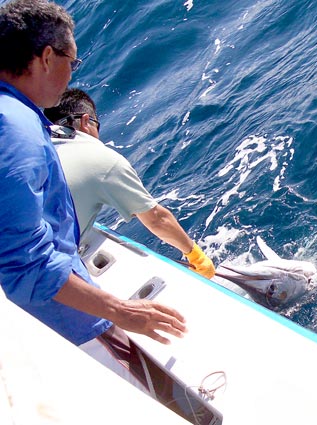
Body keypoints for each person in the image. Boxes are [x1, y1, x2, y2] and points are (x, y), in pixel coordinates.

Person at [0, 0, 187, 395]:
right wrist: (121, 312)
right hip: (62, 312)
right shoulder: (16, 132)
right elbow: (27, 269)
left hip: (44, 302)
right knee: (159, 400)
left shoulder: (14, 112)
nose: (71, 77)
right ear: (47, 57)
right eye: (73, 62)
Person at [44, 88, 215, 279]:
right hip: (41, 270)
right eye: (97, 126)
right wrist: (197, 257)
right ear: (85, 121)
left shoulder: (30, 148)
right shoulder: (99, 158)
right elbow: (156, 218)